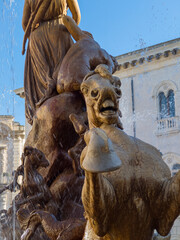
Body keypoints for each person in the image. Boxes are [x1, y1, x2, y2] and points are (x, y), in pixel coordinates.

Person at [22, 0, 81, 125]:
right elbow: (76, 16)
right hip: (60, 32)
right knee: (65, 77)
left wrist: (35, 34)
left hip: (36, 39)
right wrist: (68, 28)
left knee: (43, 84)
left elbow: (24, 24)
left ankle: (44, 116)